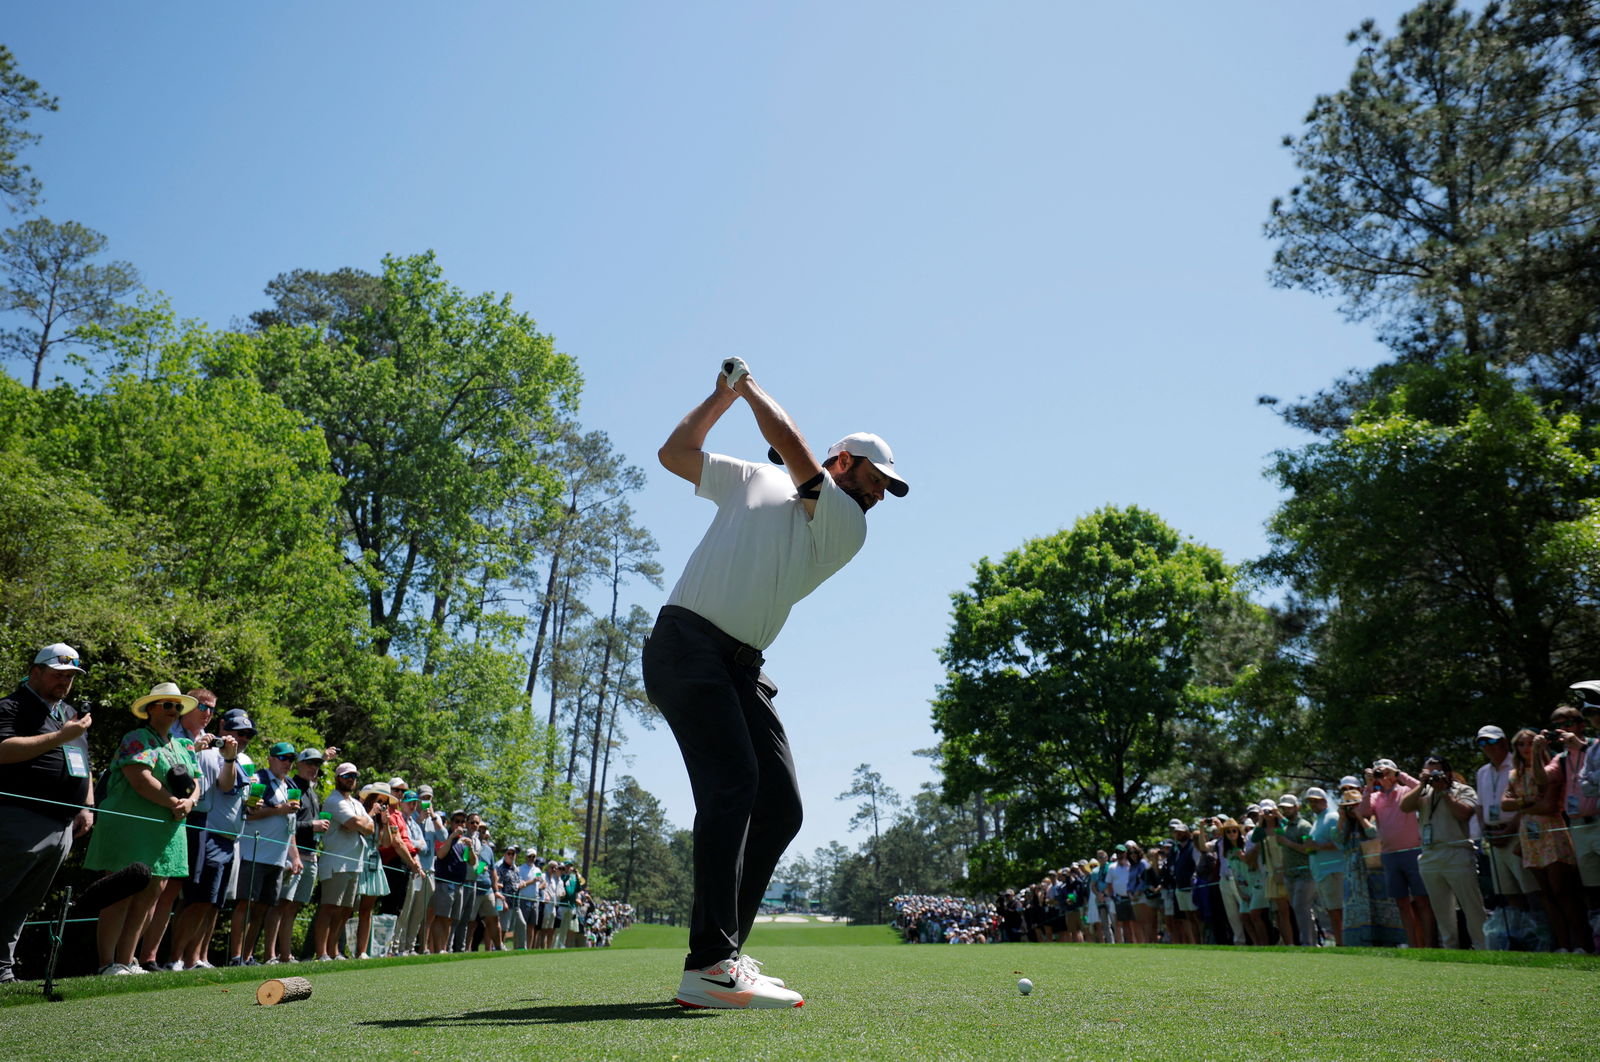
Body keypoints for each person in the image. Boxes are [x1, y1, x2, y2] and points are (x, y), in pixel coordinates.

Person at [644, 357, 907, 1010]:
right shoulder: (755, 479)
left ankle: (722, 956)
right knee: (734, 784)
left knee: (780, 806)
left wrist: (746, 387)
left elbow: (791, 444)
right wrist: (720, 397)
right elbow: (676, 452)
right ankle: (709, 965)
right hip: (687, 646)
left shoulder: (850, 524)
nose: (881, 495)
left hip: (739, 667)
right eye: (877, 480)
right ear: (844, 461)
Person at [82, 682, 201, 975]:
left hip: (167, 830)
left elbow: (197, 780)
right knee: (120, 892)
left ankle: (126, 960)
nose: (174, 711)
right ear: (150, 709)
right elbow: (139, 777)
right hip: (131, 827)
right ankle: (106, 964)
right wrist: (174, 801)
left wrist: (190, 802)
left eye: (178, 706)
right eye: (167, 705)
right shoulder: (135, 738)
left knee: (152, 894)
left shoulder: (184, 745)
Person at [0, 644, 93, 984]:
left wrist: (86, 804)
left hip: (62, 824)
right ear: (35, 671)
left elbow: (84, 761)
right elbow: (3, 750)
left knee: (23, 902)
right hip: (18, 817)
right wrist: (61, 736)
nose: (64, 682)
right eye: (57, 674)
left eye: (70, 676)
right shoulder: (11, 706)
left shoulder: (67, 712)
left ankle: (2, 972)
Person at [136, 687, 218, 970]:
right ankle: (130, 957)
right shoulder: (175, 737)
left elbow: (203, 784)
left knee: (172, 889)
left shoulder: (210, 743)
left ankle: (150, 957)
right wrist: (195, 750)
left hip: (193, 816)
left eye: (212, 709)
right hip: (161, 812)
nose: (208, 713)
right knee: (151, 887)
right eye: (203, 707)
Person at [170, 707, 255, 970]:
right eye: (237, 732)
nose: (241, 739)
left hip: (231, 838)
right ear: (222, 728)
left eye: (247, 735)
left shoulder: (242, 759)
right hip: (210, 832)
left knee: (213, 905)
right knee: (198, 900)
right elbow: (225, 785)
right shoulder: (211, 753)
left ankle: (194, 958)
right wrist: (228, 759)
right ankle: (175, 958)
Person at [1504, 728, 1587, 952]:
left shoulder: (1552, 768)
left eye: (1530, 743)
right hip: (1529, 835)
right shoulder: (1515, 774)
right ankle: (1562, 945)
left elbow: (1549, 805)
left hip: (1552, 830)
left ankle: (1582, 943)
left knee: (1563, 891)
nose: (1526, 748)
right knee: (1547, 895)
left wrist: (1523, 804)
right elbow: (1505, 803)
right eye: (1521, 744)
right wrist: (1527, 802)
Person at [1400, 755, 1486, 950]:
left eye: (1436, 772)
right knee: (1442, 911)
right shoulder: (1423, 793)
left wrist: (1445, 792)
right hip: (1430, 855)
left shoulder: (1463, 790)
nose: (1433, 776)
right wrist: (1422, 784)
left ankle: (1483, 947)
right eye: (1428, 772)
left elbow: (1464, 813)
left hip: (1457, 853)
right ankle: (1451, 949)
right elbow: (1404, 806)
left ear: (1447, 773)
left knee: (1472, 907)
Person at [229, 740, 302, 965]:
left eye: (291, 759)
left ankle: (248, 956)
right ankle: (235, 957)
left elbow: (290, 826)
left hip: (278, 859)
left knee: (263, 908)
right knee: (244, 904)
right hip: (253, 853)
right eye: (283, 758)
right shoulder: (257, 780)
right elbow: (248, 815)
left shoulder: (290, 786)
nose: (287, 763)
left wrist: (295, 856)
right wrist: (279, 810)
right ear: (270, 759)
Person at [1358, 758, 1434, 948]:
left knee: (1422, 901)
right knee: (1402, 903)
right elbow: (1364, 812)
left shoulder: (1406, 790)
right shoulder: (1375, 796)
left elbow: (1424, 788)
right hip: (1389, 855)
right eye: (1378, 773)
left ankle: (1431, 945)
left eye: (1385, 772)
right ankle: (1413, 945)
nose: (1382, 776)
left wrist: (1399, 775)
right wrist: (1368, 785)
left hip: (1413, 851)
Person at [271, 747, 334, 963]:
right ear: (298, 764)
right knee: (282, 904)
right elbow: (287, 824)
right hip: (293, 854)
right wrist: (312, 825)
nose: (313, 768)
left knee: (294, 906)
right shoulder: (292, 786)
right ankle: (272, 954)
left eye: (317, 764)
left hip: (311, 854)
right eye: (309, 763)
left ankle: (286, 954)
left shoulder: (312, 791)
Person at [1475, 724, 1539, 919]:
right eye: (1482, 742)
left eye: (1492, 741)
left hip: (1517, 834)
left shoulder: (1517, 765)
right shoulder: (1483, 771)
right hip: (1494, 838)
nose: (1488, 746)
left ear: (1503, 742)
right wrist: (1485, 830)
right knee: (1509, 891)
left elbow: (1526, 804)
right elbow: (1480, 805)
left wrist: (1509, 831)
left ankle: (1543, 934)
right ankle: (1523, 933)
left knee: (1531, 889)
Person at [312, 763, 372, 960]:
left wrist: (358, 824)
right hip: (336, 861)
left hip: (355, 863)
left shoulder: (356, 803)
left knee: (345, 910)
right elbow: (355, 823)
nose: (351, 779)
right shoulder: (334, 800)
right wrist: (357, 824)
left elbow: (370, 827)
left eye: (354, 776)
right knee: (330, 907)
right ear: (338, 777)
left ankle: (333, 950)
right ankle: (321, 953)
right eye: (347, 776)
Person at [1335, 780, 1405, 947]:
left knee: (1380, 908)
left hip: (1375, 874)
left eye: (1355, 805)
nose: (1352, 809)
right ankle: (1359, 941)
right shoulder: (1347, 827)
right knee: (1358, 910)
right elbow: (1338, 841)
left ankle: (1387, 941)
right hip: (1355, 878)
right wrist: (1342, 817)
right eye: (1348, 806)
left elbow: (1373, 833)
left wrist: (1360, 815)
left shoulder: (1373, 818)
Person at [1301, 788, 1344, 946]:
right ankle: (1341, 945)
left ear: (1325, 801)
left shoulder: (1332, 817)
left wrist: (1317, 846)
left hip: (1334, 872)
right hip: (1322, 874)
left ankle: (1343, 945)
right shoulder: (1317, 820)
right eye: (1310, 801)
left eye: (1316, 800)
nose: (1313, 804)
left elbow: (1340, 843)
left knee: (1337, 912)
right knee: (1332, 912)